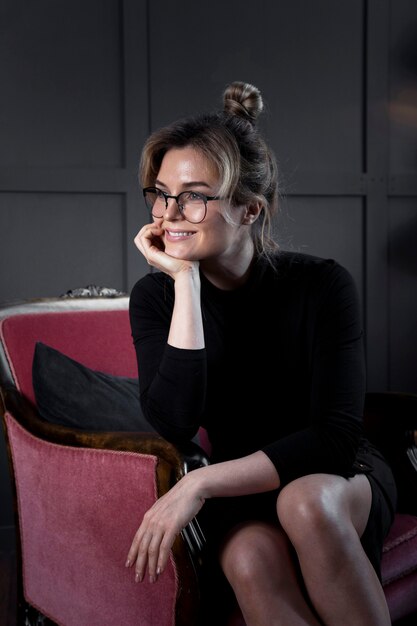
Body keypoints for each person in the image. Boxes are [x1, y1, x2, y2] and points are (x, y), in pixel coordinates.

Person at [125, 81, 397, 626]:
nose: (170, 214)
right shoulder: (157, 297)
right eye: (161, 193)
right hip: (243, 488)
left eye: (194, 196)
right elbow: (174, 422)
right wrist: (184, 285)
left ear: (248, 210)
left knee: (304, 504)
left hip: (336, 474)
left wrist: (199, 482)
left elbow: (335, 435)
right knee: (249, 557)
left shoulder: (322, 285)